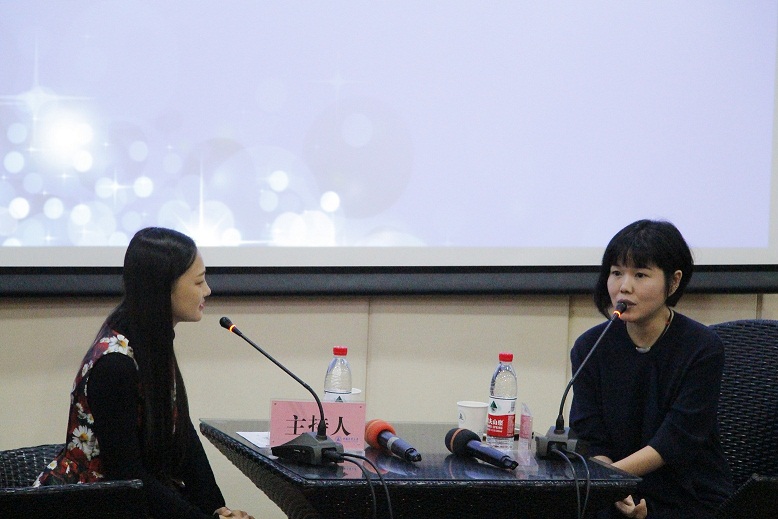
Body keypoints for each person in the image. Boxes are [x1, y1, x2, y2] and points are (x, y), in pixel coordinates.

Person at [35, 227, 254, 519]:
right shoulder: (116, 364)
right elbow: (127, 475)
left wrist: (217, 508)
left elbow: (182, 435)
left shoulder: (152, 341)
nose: (207, 291)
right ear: (162, 287)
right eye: (198, 281)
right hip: (91, 505)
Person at [569, 219, 733, 518]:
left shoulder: (702, 348)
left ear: (674, 281)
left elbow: (677, 440)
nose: (624, 286)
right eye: (616, 273)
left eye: (640, 274)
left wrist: (611, 482)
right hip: (617, 488)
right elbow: (590, 436)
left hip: (686, 493)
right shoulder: (590, 346)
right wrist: (613, 488)